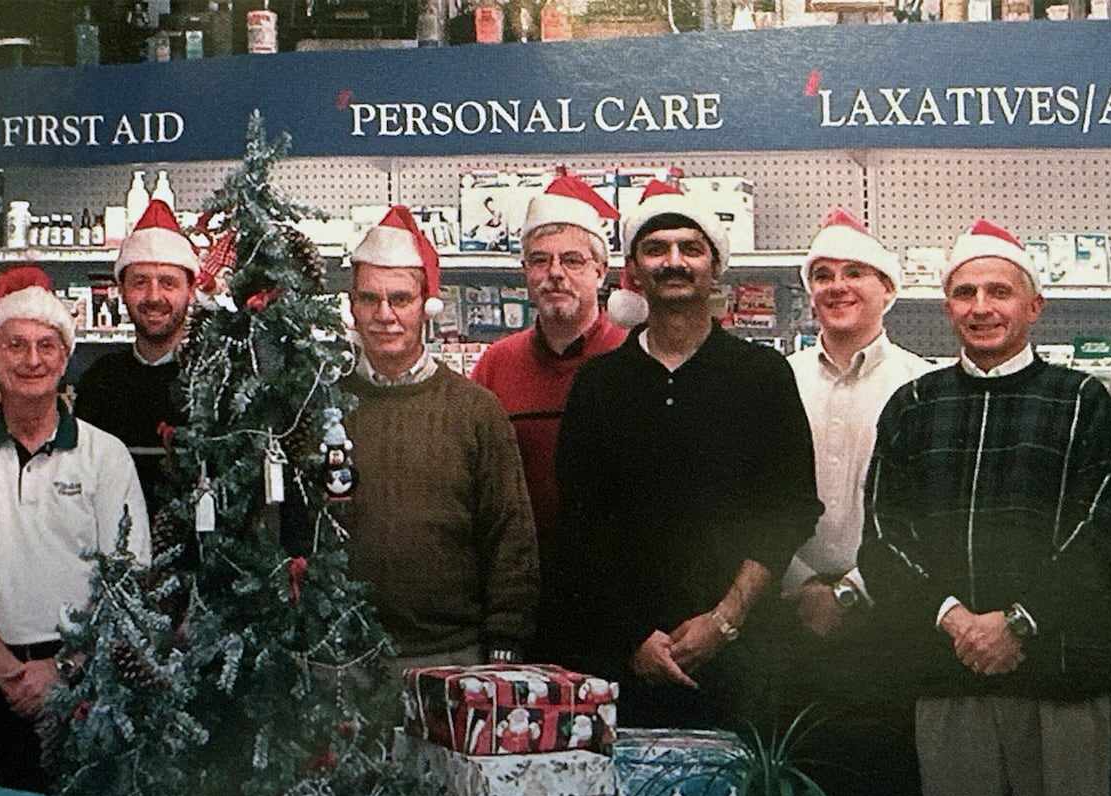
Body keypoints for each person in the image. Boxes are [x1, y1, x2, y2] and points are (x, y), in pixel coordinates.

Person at [856, 219, 1111, 796]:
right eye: (965, 293)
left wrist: (1019, 622)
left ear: (1034, 306)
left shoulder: (1081, 399)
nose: (981, 308)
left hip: (1061, 675)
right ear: (947, 308)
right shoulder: (913, 403)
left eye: (999, 292)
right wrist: (958, 622)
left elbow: (1105, 531)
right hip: (948, 673)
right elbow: (883, 536)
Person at [547, 183, 823, 729]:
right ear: (634, 271)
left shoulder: (762, 377)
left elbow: (788, 511)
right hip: (624, 663)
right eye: (657, 248)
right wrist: (633, 637)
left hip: (742, 664)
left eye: (690, 248)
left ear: (715, 267)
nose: (674, 261)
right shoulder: (597, 385)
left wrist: (725, 620)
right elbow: (581, 525)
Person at [0, 266, 150, 792]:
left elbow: (127, 580)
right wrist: (10, 674)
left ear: (65, 359)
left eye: (46, 345)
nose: (32, 360)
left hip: (84, 684)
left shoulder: (105, 456)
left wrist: (65, 668)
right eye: (15, 346)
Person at [337, 206, 538, 673]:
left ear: (426, 304)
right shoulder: (322, 407)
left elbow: (510, 534)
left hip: (451, 657)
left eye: (400, 299)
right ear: (352, 307)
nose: (385, 315)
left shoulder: (475, 411)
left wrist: (506, 643)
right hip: (341, 658)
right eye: (370, 299)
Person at [780, 208, 932, 796]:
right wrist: (799, 586)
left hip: (888, 619)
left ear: (887, 290)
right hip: (787, 618)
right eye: (822, 274)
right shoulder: (778, 380)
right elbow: (759, 497)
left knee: (881, 777)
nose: (837, 286)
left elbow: (926, 512)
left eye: (855, 272)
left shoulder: (922, 386)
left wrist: (851, 591)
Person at [471, 175, 627, 547]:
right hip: (520, 574)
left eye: (572, 260)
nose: (555, 273)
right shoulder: (495, 365)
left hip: (619, 580)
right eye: (541, 260)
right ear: (525, 270)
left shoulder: (632, 357)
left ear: (600, 271)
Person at [74, 199, 197, 520]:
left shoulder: (219, 379)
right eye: (140, 282)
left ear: (191, 291)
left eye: (168, 283)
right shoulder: (99, 382)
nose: (154, 297)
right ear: (121, 290)